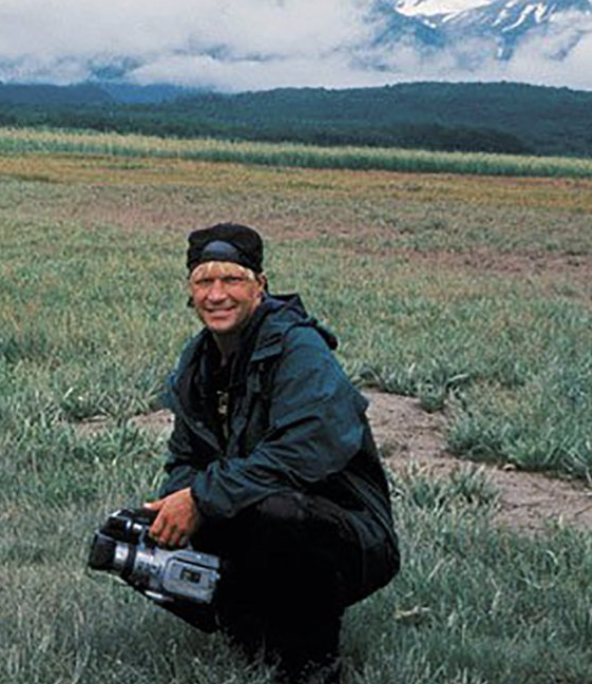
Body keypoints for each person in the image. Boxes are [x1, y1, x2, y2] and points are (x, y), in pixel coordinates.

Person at [143, 223, 401, 683]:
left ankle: (313, 662)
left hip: (344, 531)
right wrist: (177, 501)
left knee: (277, 512)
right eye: (204, 281)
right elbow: (184, 456)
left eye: (232, 280)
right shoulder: (198, 360)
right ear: (190, 290)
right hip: (249, 515)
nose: (217, 294)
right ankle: (250, 629)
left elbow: (302, 456)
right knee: (130, 539)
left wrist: (201, 500)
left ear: (259, 286)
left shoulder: (299, 348)